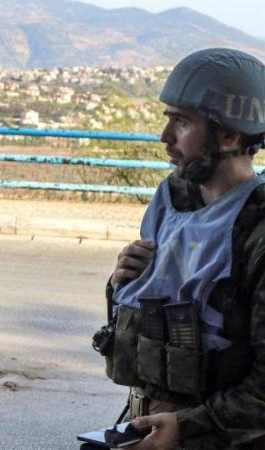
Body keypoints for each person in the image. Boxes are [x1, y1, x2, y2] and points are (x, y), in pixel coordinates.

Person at [95, 48, 265, 450]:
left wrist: (190, 426)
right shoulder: (173, 198)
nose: (165, 137)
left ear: (230, 135)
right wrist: (121, 282)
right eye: (168, 118)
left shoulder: (256, 229)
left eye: (182, 122)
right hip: (149, 421)